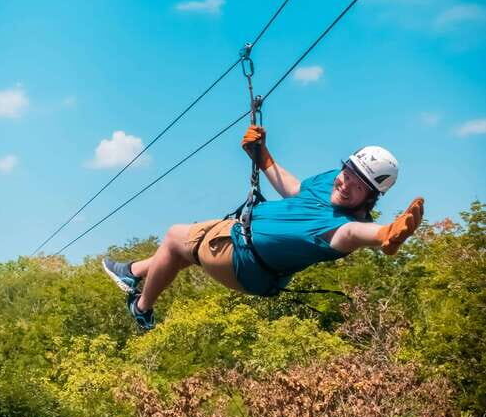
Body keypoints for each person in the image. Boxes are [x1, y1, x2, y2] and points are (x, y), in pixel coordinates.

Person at [102, 125, 424, 332]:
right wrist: (262, 155)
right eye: (348, 172)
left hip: (243, 258)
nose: (346, 183)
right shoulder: (331, 183)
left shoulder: (344, 227)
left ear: (370, 197)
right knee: (185, 251)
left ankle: (141, 307)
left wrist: (386, 235)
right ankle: (132, 271)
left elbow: (358, 235)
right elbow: (295, 188)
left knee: (175, 237)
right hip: (243, 243)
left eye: (358, 185)